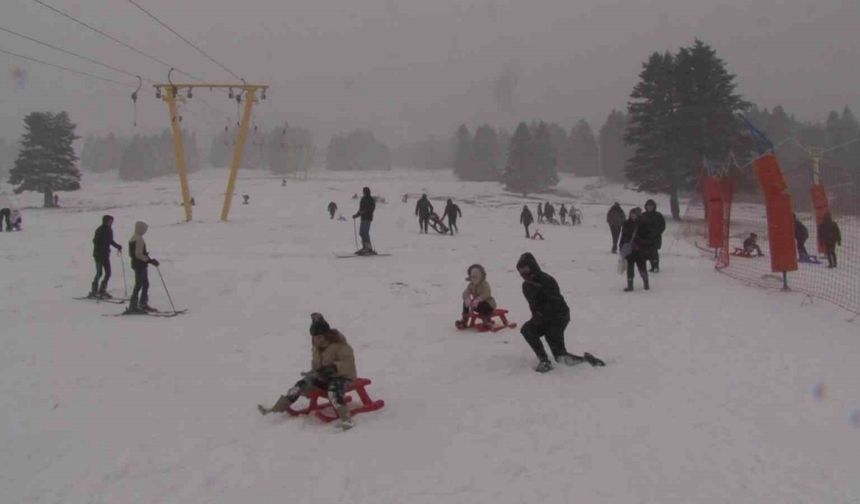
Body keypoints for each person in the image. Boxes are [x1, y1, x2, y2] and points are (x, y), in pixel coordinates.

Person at [258, 313, 356, 430]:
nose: (316, 340)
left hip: (343, 377)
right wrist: (312, 373)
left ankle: (346, 419)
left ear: (326, 335)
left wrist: (333, 368)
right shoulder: (316, 347)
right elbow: (317, 366)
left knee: (333, 391)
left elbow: (349, 364)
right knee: (300, 385)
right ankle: (276, 409)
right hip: (324, 376)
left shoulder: (340, 345)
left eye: (319, 337)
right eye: (314, 337)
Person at [515, 252, 582, 372]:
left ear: (532, 266)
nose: (523, 272)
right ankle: (544, 360)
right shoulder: (526, 286)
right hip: (541, 318)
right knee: (527, 330)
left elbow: (555, 302)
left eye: (526, 268)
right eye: (521, 270)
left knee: (560, 356)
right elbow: (534, 306)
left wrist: (541, 293)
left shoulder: (547, 280)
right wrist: (537, 318)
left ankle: (588, 361)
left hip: (558, 317)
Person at [127, 221, 159, 313]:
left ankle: (141, 304)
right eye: (144, 229)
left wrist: (147, 257)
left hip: (137, 264)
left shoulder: (133, 237)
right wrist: (150, 260)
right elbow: (138, 254)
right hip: (140, 265)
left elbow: (133, 253)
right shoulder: (139, 239)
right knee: (139, 285)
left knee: (143, 284)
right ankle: (135, 306)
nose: (145, 231)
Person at [90, 215, 122, 298]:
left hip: (105, 255)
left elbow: (110, 240)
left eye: (112, 221)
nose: (111, 223)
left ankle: (102, 290)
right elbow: (95, 241)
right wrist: (100, 248)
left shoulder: (109, 230)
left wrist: (117, 246)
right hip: (98, 255)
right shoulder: (99, 230)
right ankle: (94, 291)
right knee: (99, 273)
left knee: (108, 273)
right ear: (105, 221)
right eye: (110, 221)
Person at [456, 264, 497, 329]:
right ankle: (465, 319)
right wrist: (467, 298)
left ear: (481, 276)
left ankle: (486, 320)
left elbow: (487, 293)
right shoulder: (471, 285)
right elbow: (466, 292)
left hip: (488, 305)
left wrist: (478, 299)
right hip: (476, 305)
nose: (474, 279)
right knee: (465, 303)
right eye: (472, 277)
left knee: (483, 304)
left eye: (476, 277)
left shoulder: (484, 284)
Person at [619, 207, 650, 292]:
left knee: (642, 267)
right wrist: (621, 246)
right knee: (630, 268)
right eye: (631, 214)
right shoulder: (626, 223)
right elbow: (623, 236)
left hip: (640, 250)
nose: (632, 216)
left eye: (634, 214)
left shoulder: (642, 224)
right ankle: (630, 285)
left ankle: (646, 283)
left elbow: (647, 237)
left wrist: (639, 241)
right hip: (629, 249)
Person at [640, 199, 666, 272]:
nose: (649, 207)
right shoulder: (643, 215)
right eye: (648, 206)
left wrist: (656, 233)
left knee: (654, 253)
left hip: (655, 238)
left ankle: (655, 266)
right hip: (645, 238)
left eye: (651, 206)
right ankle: (651, 266)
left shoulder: (658, 215)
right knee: (646, 252)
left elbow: (662, 226)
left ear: (654, 207)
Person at [352, 187, 376, 255]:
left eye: (364, 191)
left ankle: (369, 248)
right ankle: (364, 247)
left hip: (368, 218)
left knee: (365, 233)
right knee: (361, 232)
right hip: (363, 218)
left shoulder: (371, 200)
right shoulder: (363, 199)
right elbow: (361, 209)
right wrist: (356, 215)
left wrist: (364, 212)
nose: (364, 193)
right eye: (363, 191)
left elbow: (371, 209)